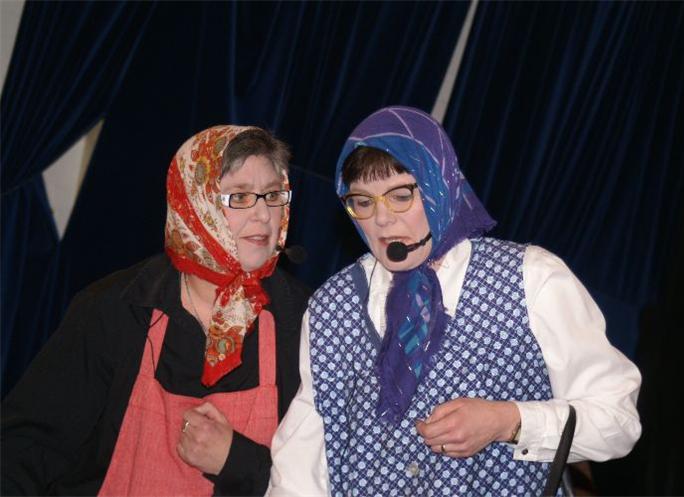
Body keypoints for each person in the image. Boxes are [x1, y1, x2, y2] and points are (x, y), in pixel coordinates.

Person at [268, 106, 642, 496]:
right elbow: (302, 463)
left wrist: (509, 421)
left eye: (400, 196)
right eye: (363, 202)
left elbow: (618, 421)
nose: (381, 219)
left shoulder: (532, 278)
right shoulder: (332, 308)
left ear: (439, 186)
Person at [1, 126, 310, 496]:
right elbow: (24, 450)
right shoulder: (114, 309)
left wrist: (236, 461)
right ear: (194, 204)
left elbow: (327, 478)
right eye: (240, 196)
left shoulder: (304, 321)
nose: (263, 214)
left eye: (273, 195)